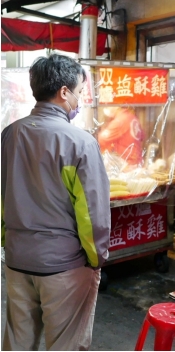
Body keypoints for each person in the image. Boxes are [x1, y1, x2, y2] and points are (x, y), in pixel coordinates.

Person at [1, 54, 111, 351]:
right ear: (64, 91)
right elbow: (92, 214)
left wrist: (6, 241)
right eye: (78, 93)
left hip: (16, 259)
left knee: (18, 341)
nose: (78, 101)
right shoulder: (80, 142)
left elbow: (2, 197)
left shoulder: (9, 135)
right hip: (63, 266)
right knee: (64, 344)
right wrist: (96, 258)